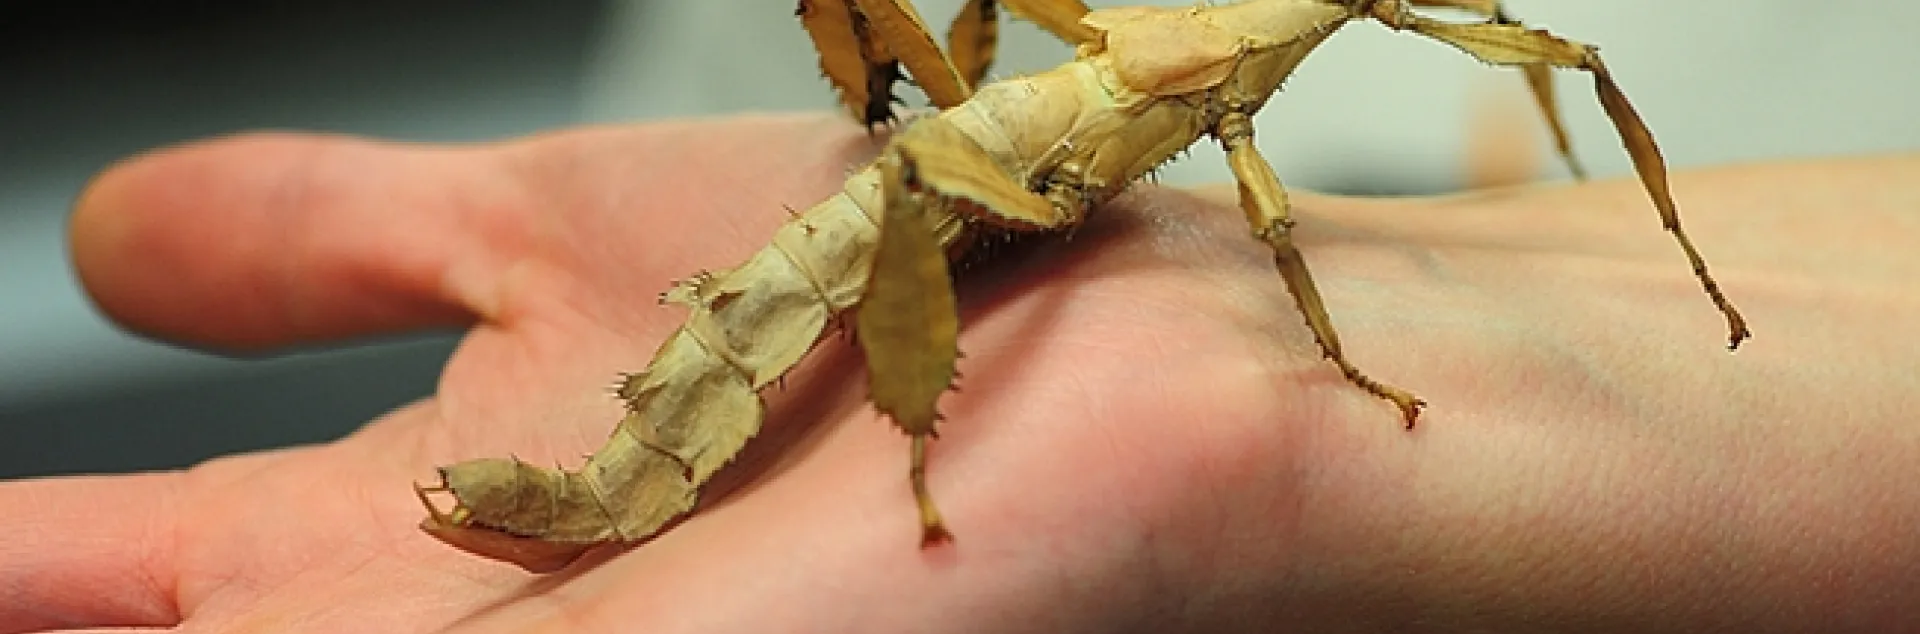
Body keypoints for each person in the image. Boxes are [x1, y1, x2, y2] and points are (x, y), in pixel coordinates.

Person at [4, 113, 1915, 632]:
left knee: (906, 209)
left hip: (936, 168)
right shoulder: (1216, 122)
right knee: (891, 221)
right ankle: (802, 460)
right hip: (897, 194)